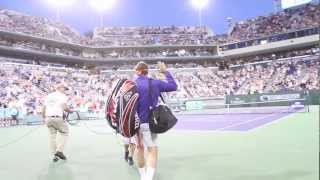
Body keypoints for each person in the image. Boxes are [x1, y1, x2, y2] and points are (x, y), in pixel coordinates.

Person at [134, 61, 177, 180]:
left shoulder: (132, 84)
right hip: (151, 122)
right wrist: (165, 72)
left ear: (139, 71)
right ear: (146, 71)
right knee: (152, 150)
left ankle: (143, 176)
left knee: (139, 149)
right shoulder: (155, 83)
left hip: (136, 124)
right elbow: (173, 86)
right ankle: (147, 178)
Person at [42, 83, 73, 162]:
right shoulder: (62, 96)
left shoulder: (49, 96)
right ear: (59, 88)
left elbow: (44, 107)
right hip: (57, 118)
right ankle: (59, 151)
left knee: (52, 136)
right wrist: (70, 111)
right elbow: (64, 107)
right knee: (65, 132)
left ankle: (54, 155)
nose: (65, 91)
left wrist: (44, 117)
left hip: (48, 118)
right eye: (64, 89)